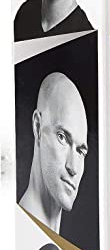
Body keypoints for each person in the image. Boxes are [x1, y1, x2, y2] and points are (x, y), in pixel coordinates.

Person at [19, 72, 88, 234]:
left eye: (80, 151)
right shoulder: (19, 234)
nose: (73, 168)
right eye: (62, 137)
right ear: (38, 127)